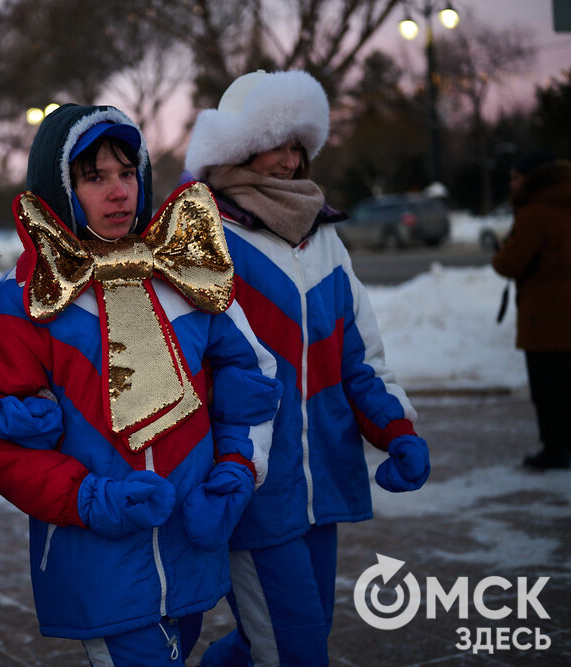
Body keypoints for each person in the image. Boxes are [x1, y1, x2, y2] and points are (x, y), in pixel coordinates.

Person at [0, 103, 281, 666]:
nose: (118, 192)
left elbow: (251, 375)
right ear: (59, 187)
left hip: (192, 546)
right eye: (94, 177)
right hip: (97, 559)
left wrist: (236, 468)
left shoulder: (185, 281)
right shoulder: (24, 305)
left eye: (127, 174)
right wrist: (91, 499)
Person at [183, 70, 431, 666]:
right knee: (293, 650)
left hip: (323, 480)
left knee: (289, 637)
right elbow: (186, 365)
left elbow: (358, 355)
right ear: (238, 147)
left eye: (300, 145)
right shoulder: (200, 232)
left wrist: (395, 428)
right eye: (278, 142)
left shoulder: (322, 234)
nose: (292, 161)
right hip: (253, 484)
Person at [492, 150, 571, 470]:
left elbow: (509, 263)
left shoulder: (534, 212)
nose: (511, 184)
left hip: (544, 316)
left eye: (515, 177)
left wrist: (502, 251)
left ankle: (555, 449)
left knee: (547, 387)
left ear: (531, 178)